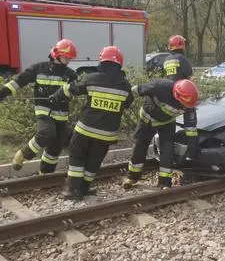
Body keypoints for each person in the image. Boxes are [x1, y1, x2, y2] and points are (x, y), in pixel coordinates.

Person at [49, 46, 134, 200]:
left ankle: (73, 190)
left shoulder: (91, 78)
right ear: (119, 63)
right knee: (93, 161)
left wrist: (57, 95)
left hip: (85, 130)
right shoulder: (125, 86)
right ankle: (85, 188)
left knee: (77, 156)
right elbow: (128, 103)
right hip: (106, 135)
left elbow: (71, 89)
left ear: (102, 61)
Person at [0, 39, 78, 173]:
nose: (68, 60)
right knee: (45, 134)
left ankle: (45, 175)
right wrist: (2, 94)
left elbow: (80, 87)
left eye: (70, 58)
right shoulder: (39, 68)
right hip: (44, 112)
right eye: (66, 57)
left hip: (62, 115)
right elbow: (18, 81)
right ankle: (23, 154)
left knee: (55, 148)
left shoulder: (70, 74)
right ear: (57, 55)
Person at [122, 79, 200, 189]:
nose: (185, 107)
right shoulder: (159, 86)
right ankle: (132, 177)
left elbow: (190, 125)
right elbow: (135, 90)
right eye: (184, 104)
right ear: (176, 95)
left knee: (167, 151)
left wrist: (192, 142)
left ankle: (164, 183)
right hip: (147, 119)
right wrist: (123, 101)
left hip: (167, 123)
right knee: (140, 147)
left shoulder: (189, 103)